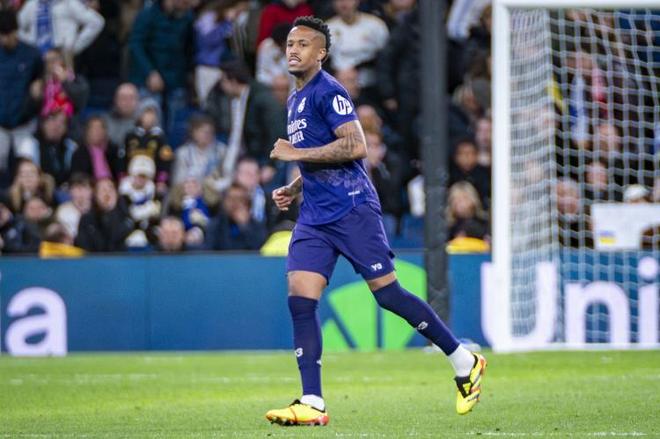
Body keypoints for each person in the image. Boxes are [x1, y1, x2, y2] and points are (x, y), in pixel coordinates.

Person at [264, 16, 486, 427]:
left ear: (321, 54)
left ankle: (463, 359)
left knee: (388, 295)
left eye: (303, 44)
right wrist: (295, 187)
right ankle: (312, 401)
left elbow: (355, 145)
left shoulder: (329, 92)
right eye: (290, 44)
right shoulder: (294, 99)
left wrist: (295, 155)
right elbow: (319, 155)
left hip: (351, 208)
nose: (293, 50)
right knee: (300, 297)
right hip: (315, 215)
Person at [0, 9, 43, 187]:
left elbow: (40, 81)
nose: (3, 40)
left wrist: (38, 87)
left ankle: (30, 198)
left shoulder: (31, 54)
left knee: (29, 162)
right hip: (0, 124)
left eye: (6, 35)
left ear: (15, 32)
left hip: (24, 123)